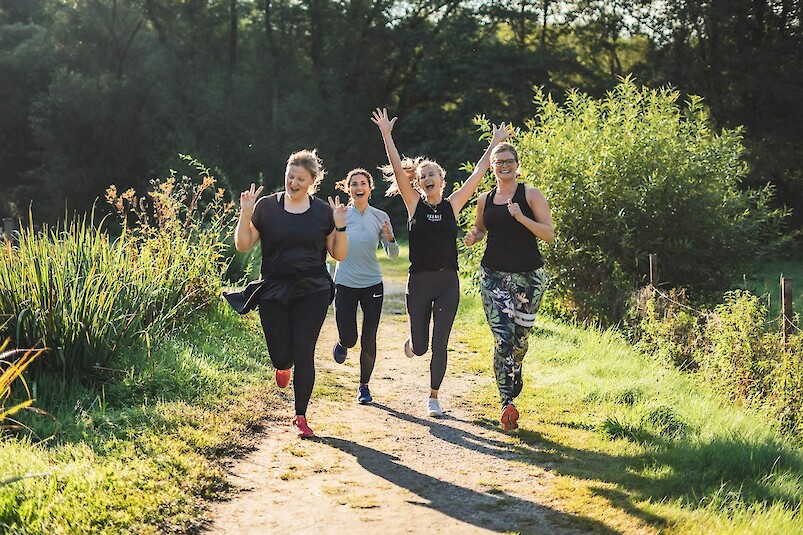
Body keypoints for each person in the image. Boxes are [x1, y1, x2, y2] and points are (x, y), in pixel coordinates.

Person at [371, 107, 510, 418]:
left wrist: (495, 142)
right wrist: (386, 135)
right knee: (420, 347)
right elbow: (396, 167)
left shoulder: (454, 204)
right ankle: (412, 343)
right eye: (423, 176)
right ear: (418, 184)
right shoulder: (413, 205)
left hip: (448, 282)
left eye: (432, 174)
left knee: (441, 342)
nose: (428, 178)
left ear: (442, 180)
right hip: (419, 283)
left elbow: (478, 173)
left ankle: (433, 397)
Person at [232, 149, 348, 438]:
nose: (293, 183)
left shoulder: (323, 212)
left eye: (300, 179)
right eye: (290, 177)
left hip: (313, 289)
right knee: (281, 354)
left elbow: (339, 254)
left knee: (304, 349)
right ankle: (283, 366)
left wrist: (340, 224)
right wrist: (246, 212)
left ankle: (301, 416)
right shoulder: (267, 208)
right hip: (274, 287)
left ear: (312, 181)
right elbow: (243, 245)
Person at [464, 142, 554, 431]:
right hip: (494, 276)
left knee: (520, 340)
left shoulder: (530, 194)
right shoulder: (485, 199)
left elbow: (549, 235)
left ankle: (516, 368)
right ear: (492, 167)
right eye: (498, 161)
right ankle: (506, 403)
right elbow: (481, 228)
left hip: (530, 277)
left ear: (517, 164)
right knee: (503, 338)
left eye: (508, 161)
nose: (504, 165)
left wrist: (521, 217)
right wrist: (474, 236)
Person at [331, 168, 399, 405]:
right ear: (347, 189)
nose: (359, 188)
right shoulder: (341, 215)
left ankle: (364, 386)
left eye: (363, 183)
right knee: (350, 338)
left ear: (370, 188)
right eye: (354, 184)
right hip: (345, 283)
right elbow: (330, 247)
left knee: (369, 337)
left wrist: (390, 238)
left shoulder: (380, 216)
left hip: (372, 283)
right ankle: (342, 343)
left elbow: (393, 254)